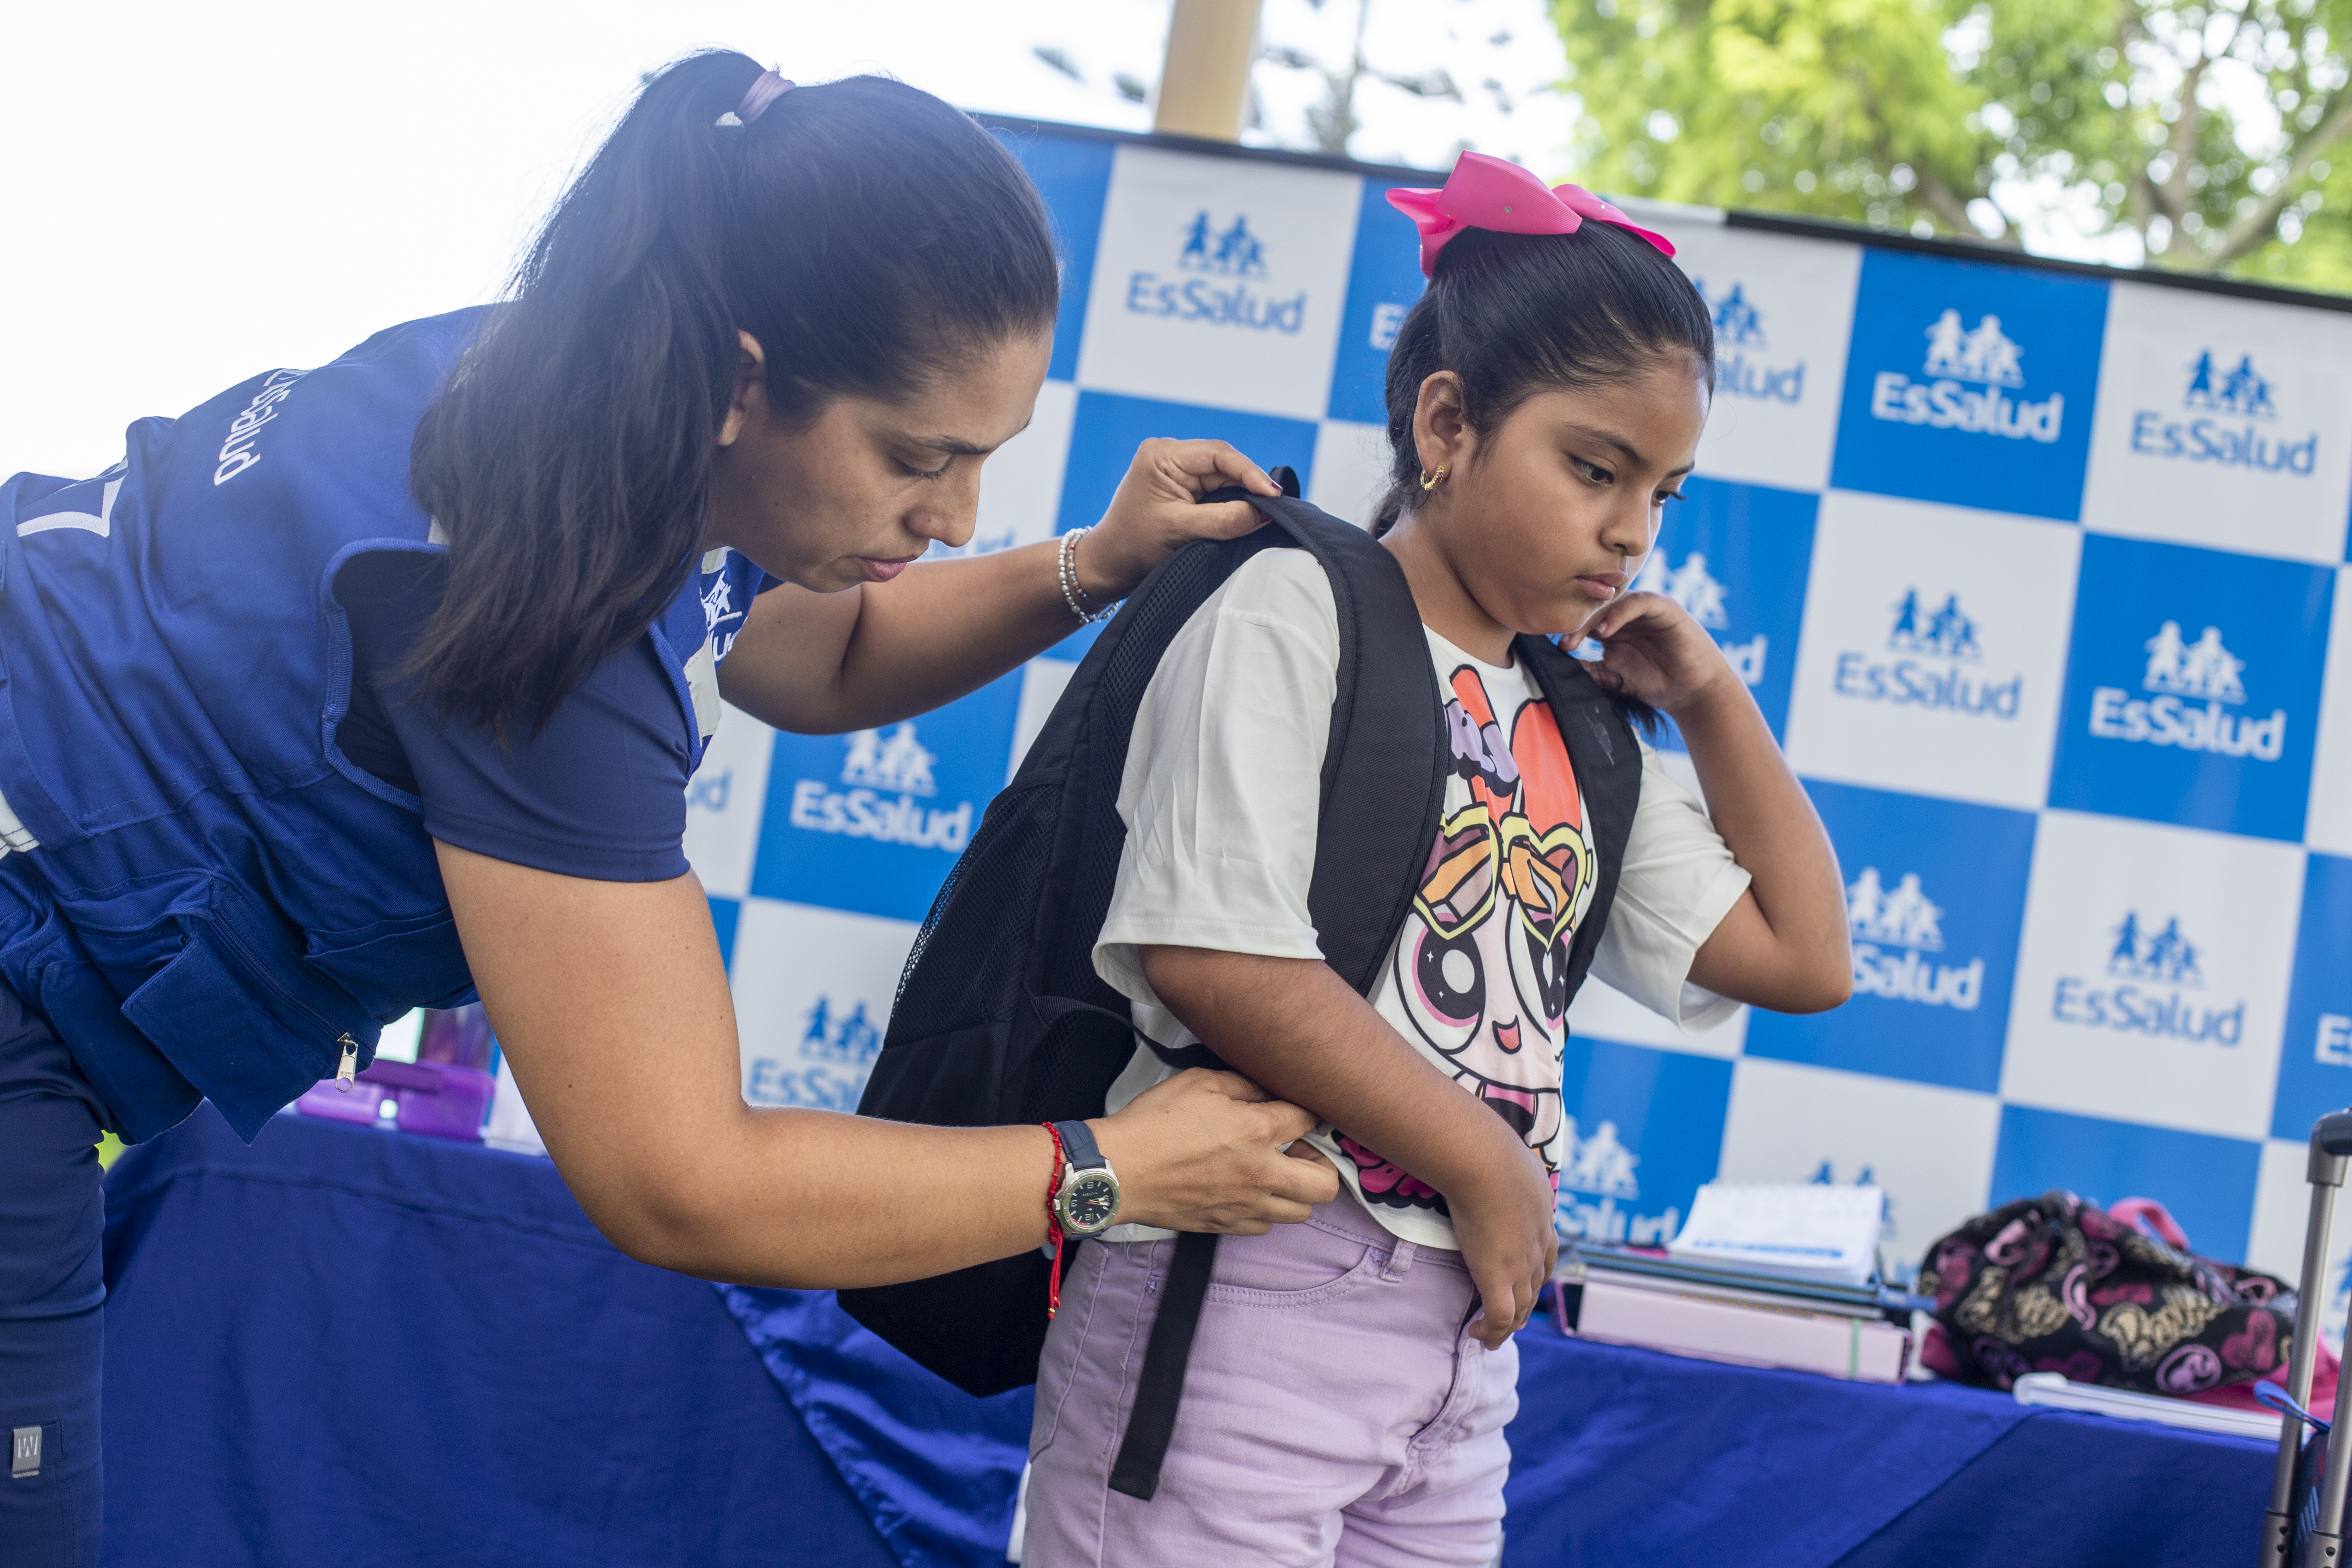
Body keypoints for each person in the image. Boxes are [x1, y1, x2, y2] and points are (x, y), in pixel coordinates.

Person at [0, 54, 1339, 1566]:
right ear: (745, 379)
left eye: (984, 462)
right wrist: (1115, 1170)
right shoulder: (546, 602)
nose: (958, 513)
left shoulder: (584, 401)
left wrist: (1092, 563)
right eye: (920, 457)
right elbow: (681, 1178)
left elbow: (817, 655)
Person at [1018, 153, 1852, 1566]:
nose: (1633, 529)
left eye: (1667, 493)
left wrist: (1715, 703)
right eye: (1595, 468)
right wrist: (1486, 1159)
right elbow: (1214, 952)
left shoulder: (1580, 722)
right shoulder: (1296, 607)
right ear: (1449, 422)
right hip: (1239, 1283)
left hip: (1459, 1339)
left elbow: (1805, 959)